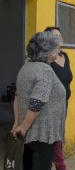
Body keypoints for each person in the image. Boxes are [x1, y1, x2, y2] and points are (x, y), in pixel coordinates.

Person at [12, 31, 66, 170]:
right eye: (56, 49)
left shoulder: (27, 65)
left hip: (29, 132)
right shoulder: (44, 70)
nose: (58, 51)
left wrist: (18, 123)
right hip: (42, 134)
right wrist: (23, 127)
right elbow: (37, 103)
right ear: (47, 52)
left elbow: (17, 96)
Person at [44, 27, 73, 170]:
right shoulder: (46, 59)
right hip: (49, 107)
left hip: (63, 106)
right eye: (56, 36)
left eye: (60, 36)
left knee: (57, 140)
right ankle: (60, 166)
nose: (60, 38)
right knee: (53, 142)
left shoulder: (65, 57)